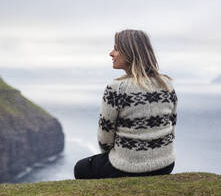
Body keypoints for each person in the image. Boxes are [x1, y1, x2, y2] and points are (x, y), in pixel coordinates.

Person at [74, 29, 177, 179]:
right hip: (165, 165)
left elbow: (105, 139)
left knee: (81, 168)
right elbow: (171, 128)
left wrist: (120, 157)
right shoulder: (167, 84)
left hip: (126, 167)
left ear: (129, 53)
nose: (111, 53)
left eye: (116, 49)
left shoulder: (116, 88)